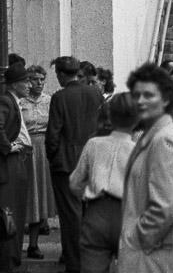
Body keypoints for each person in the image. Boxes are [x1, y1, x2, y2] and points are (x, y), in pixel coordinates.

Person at [118, 63, 173, 273]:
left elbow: (166, 207)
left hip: (160, 256)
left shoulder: (164, 140)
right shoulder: (157, 135)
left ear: (166, 100)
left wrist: (137, 237)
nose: (140, 101)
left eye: (148, 95)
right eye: (136, 95)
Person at [45, 56, 103, 273]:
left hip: (66, 163)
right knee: (89, 215)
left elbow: (53, 134)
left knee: (71, 218)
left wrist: (53, 157)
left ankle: (75, 265)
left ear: (61, 74)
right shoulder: (95, 93)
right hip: (91, 160)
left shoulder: (59, 97)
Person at [69, 92, 138, 273]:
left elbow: (75, 183)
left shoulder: (93, 144)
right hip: (128, 213)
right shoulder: (139, 150)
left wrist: (87, 195)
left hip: (96, 213)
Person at [20, 65, 56, 261]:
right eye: (34, 79)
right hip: (26, 148)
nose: (39, 83)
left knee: (39, 196)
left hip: (42, 149)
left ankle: (34, 244)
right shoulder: (21, 102)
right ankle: (17, 243)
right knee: (24, 195)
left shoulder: (49, 101)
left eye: (42, 79)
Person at [0, 62, 32, 273]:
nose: (29, 85)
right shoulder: (5, 101)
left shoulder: (13, 101)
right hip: (9, 165)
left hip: (17, 162)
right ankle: (7, 262)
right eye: (25, 81)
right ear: (14, 85)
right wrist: (8, 147)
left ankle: (11, 260)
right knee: (9, 214)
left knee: (15, 212)